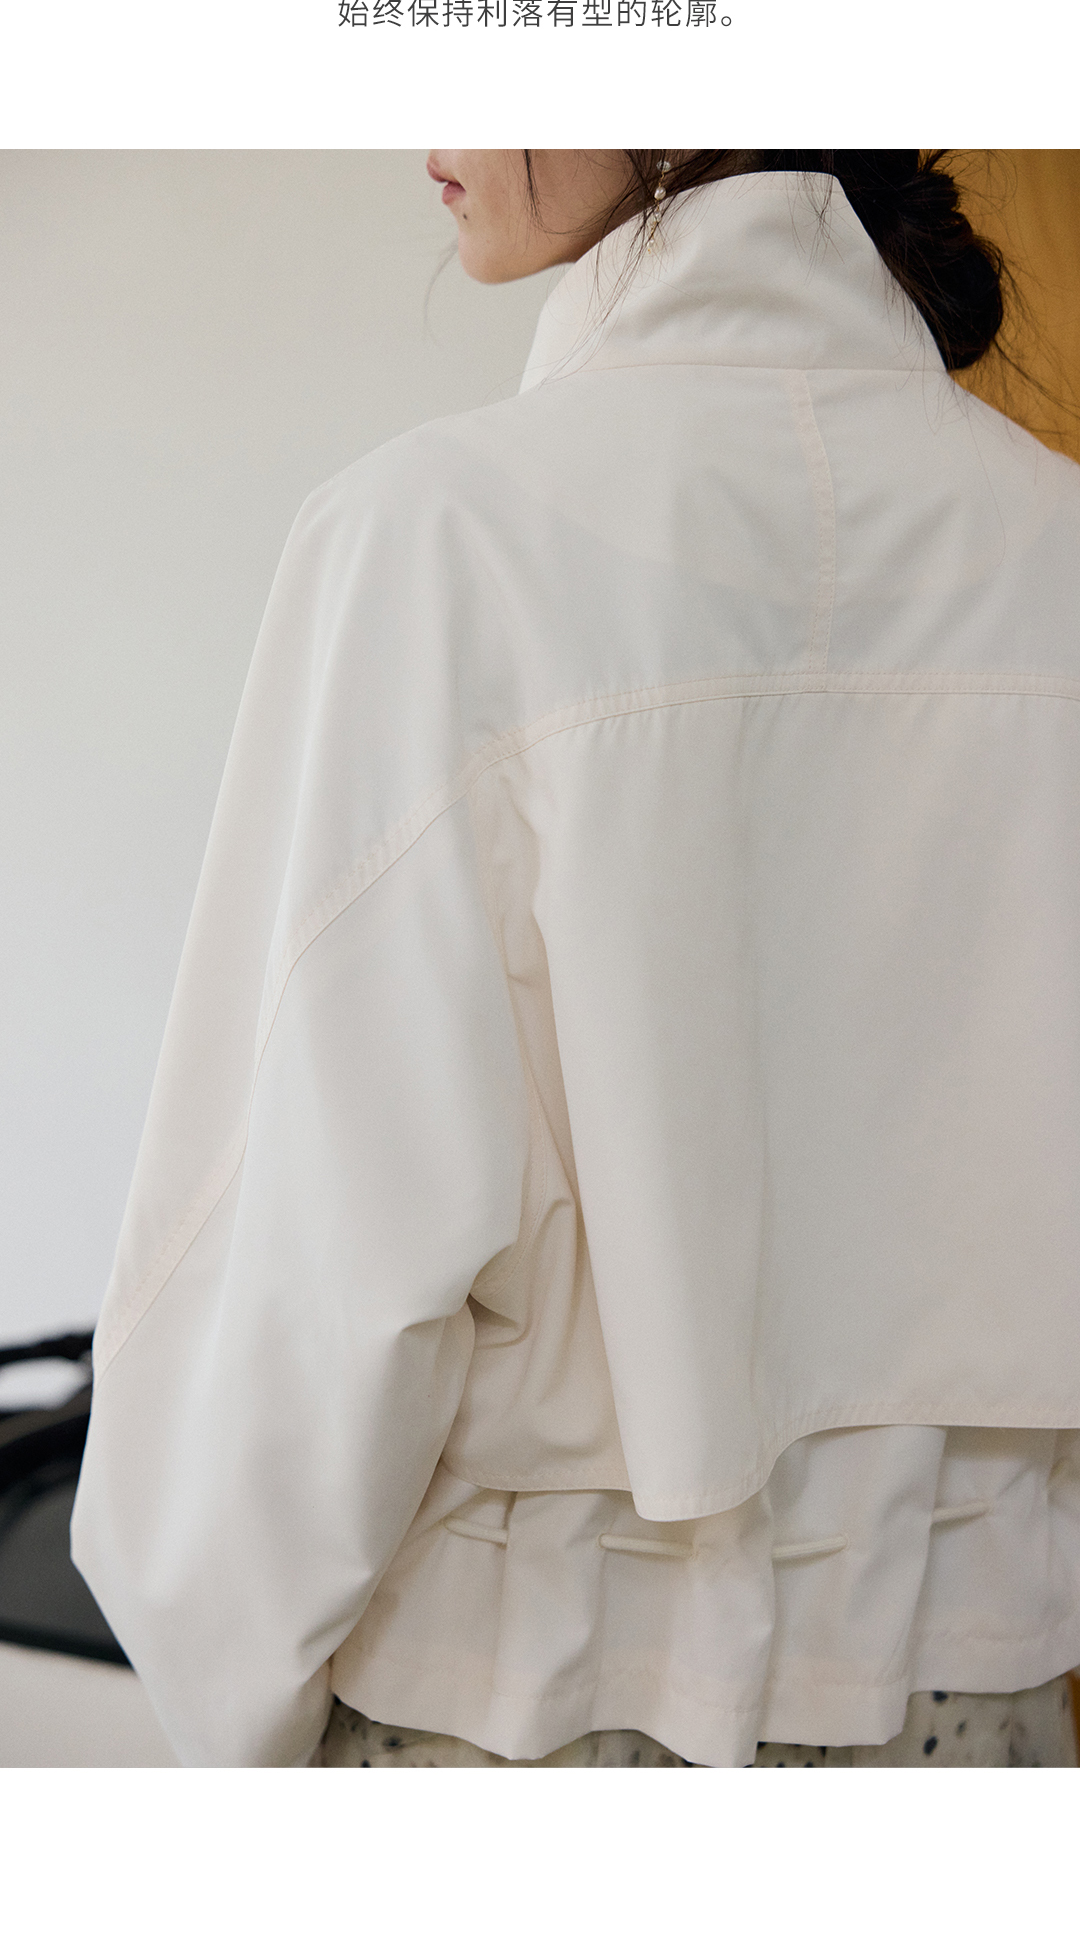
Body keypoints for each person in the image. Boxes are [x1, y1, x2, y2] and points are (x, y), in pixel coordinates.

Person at [72, 152, 1080, 1768]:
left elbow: (296, 1266)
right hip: (989, 1719)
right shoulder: (1050, 545)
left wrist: (227, 1707)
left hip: (522, 1720)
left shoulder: (433, 541)